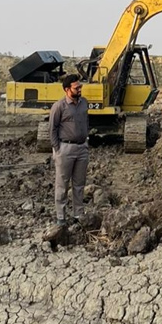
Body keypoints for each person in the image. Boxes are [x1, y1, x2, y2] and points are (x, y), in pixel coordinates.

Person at [49, 74, 90, 227]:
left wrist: (86, 140)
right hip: (65, 149)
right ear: (67, 89)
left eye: (80, 86)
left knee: (79, 184)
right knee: (62, 184)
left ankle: (78, 214)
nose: (80, 89)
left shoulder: (84, 103)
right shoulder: (59, 106)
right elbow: (52, 129)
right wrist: (57, 149)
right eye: (76, 87)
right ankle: (61, 217)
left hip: (82, 148)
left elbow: (86, 122)